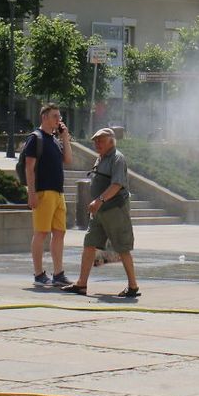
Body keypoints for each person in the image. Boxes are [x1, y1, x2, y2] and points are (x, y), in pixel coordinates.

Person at [62, 127, 139, 298]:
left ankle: (133, 286)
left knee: (122, 247)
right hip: (100, 211)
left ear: (111, 142)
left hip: (115, 210)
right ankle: (81, 284)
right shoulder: (101, 158)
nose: (97, 144)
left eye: (101, 141)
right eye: (96, 141)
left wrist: (99, 200)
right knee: (89, 243)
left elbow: (117, 184)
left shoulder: (117, 158)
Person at [23, 104, 72, 286]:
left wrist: (65, 137)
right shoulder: (36, 138)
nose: (58, 120)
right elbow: (29, 168)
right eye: (54, 116)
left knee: (59, 232)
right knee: (41, 232)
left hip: (58, 193)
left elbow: (68, 160)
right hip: (43, 192)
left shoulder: (55, 140)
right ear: (44, 117)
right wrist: (31, 193)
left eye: (59, 117)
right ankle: (38, 274)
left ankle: (58, 274)